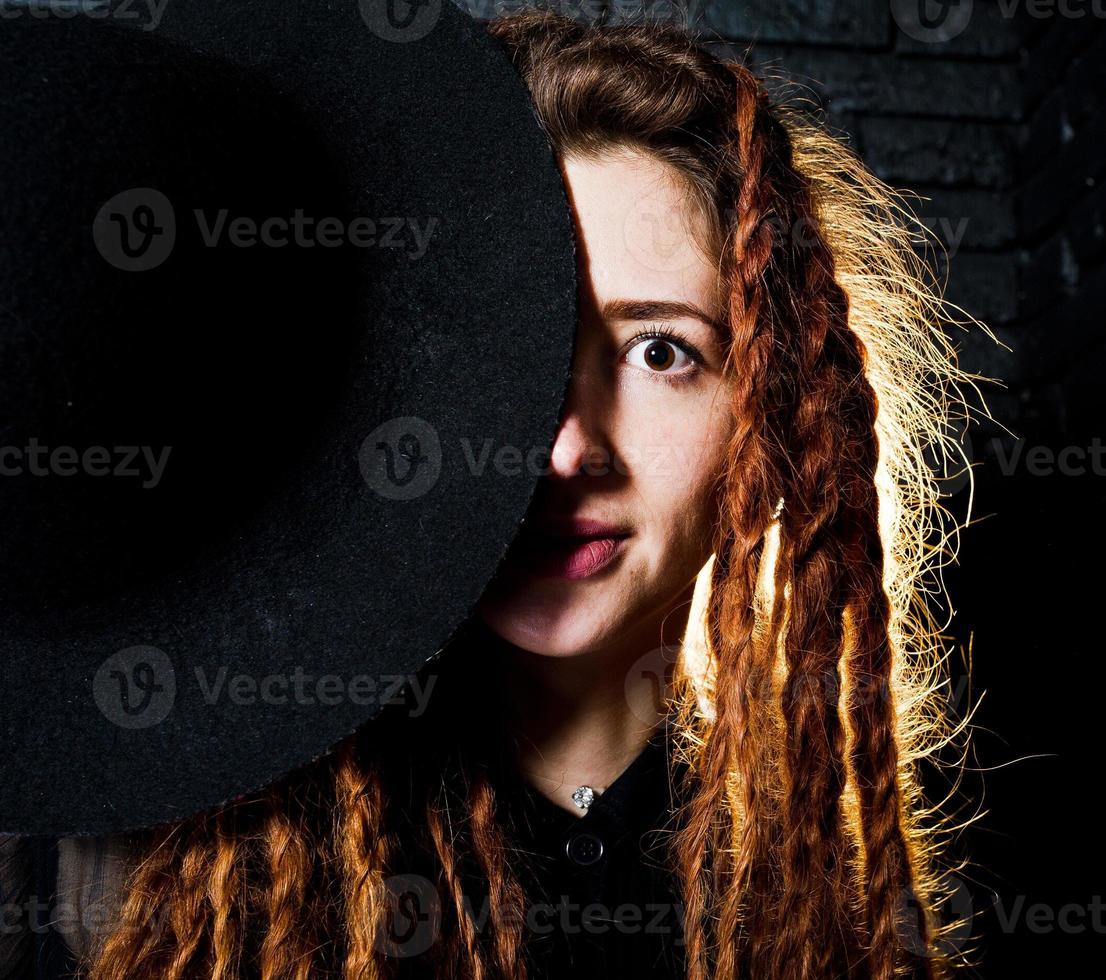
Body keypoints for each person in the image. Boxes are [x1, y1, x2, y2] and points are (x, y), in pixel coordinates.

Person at [33, 10, 987, 980]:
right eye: (512, 356)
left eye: (661, 351)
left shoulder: (830, 871)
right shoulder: (201, 875)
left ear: (772, 414)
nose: (568, 448)